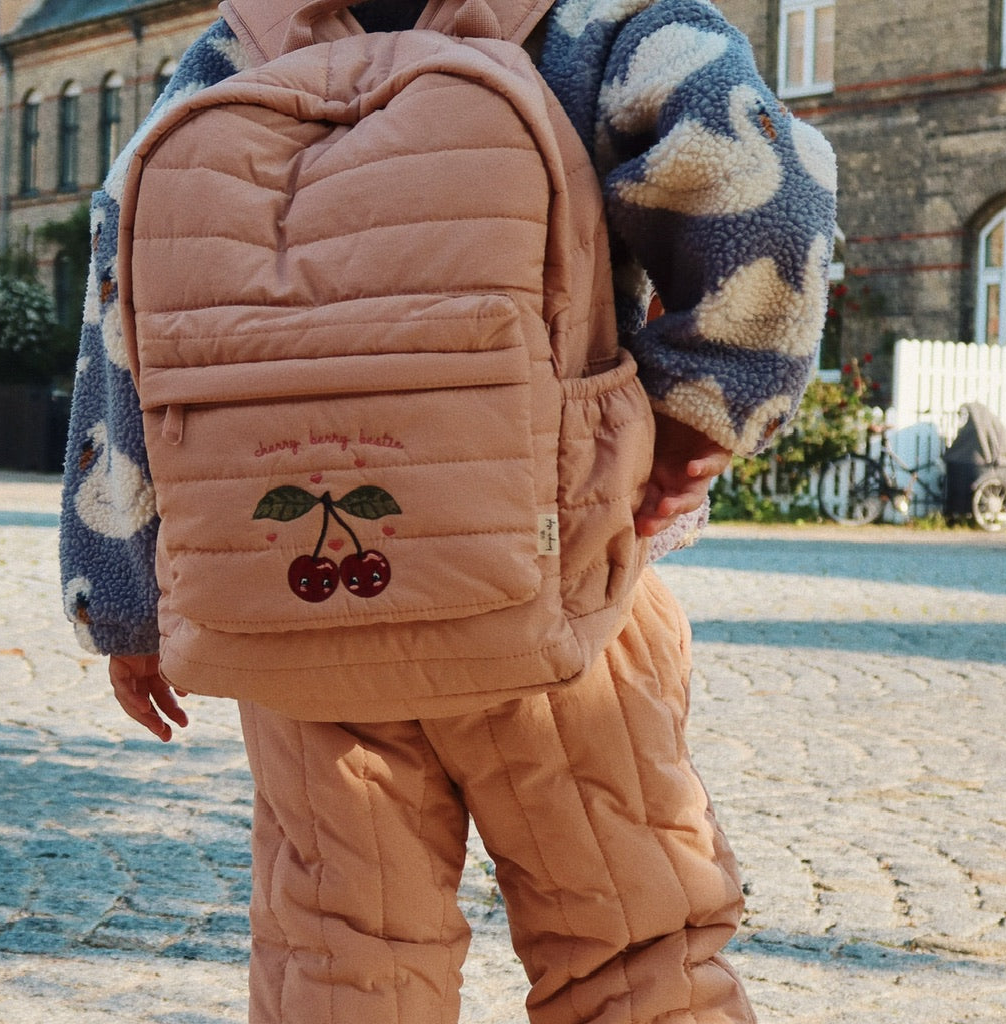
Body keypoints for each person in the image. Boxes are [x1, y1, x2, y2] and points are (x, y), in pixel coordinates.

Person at [61, 0, 836, 1020]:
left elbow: (126, 300)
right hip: (553, 590)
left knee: (339, 961)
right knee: (631, 949)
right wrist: (692, 424)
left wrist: (123, 605)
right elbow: (770, 202)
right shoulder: (598, 27)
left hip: (298, 609)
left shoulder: (229, 52)